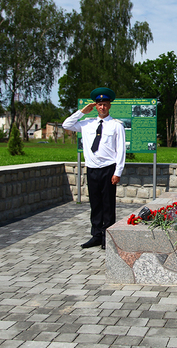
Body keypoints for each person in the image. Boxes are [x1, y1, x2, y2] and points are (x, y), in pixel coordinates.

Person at [63, 87, 126, 249]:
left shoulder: (116, 125)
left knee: (108, 204)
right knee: (95, 203)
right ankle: (96, 235)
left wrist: (117, 172)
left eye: (105, 104)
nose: (102, 107)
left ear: (109, 106)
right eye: (99, 105)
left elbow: (121, 150)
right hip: (92, 169)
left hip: (108, 169)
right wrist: (82, 112)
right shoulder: (86, 123)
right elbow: (66, 125)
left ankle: (108, 236)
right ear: (95, 106)